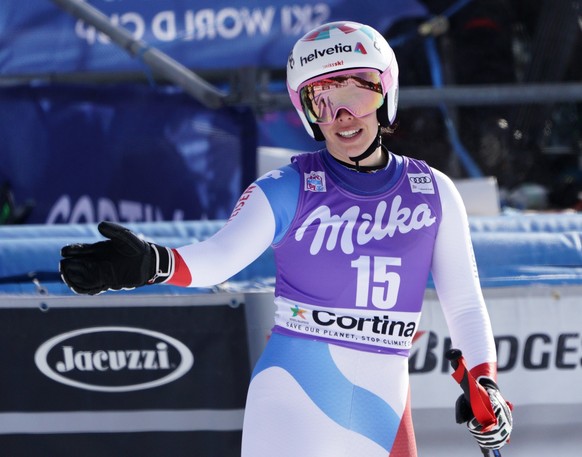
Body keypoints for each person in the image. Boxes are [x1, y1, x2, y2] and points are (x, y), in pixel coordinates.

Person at [60, 21, 512, 457]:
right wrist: (149, 263)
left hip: (385, 408)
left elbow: (466, 306)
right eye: (323, 102)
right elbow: (219, 258)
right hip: (295, 399)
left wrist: (485, 381)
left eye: (356, 92)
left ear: (386, 92)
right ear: (307, 113)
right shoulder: (287, 186)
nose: (342, 116)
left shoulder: (434, 191)